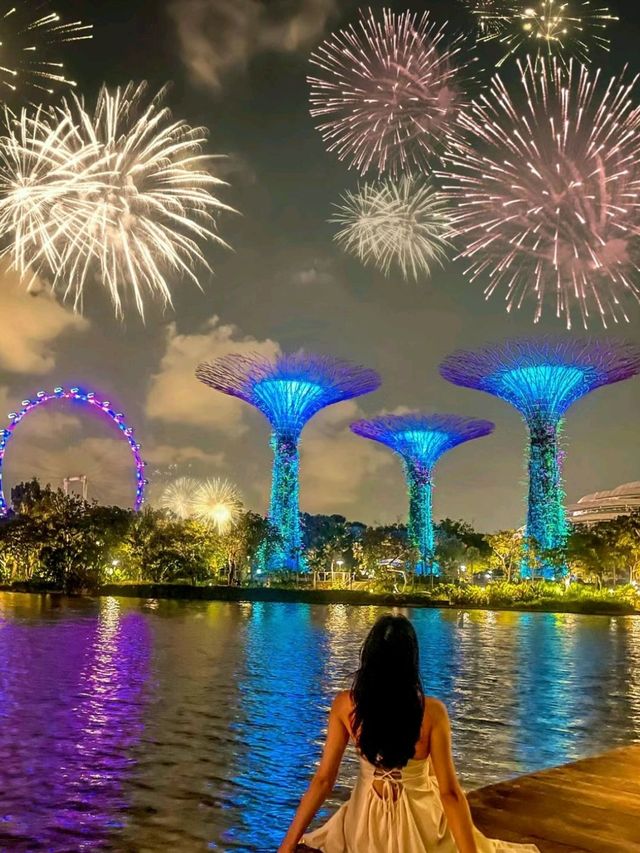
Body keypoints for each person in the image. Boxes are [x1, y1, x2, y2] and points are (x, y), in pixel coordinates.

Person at [278, 614, 539, 853]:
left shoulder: (345, 706)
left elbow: (323, 781)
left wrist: (287, 846)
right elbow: (450, 793)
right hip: (420, 825)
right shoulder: (432, 713)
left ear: (368, 657)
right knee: (436, 785)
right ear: (411, 661)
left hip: (365, 829)